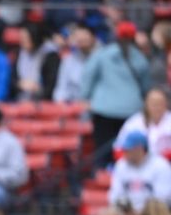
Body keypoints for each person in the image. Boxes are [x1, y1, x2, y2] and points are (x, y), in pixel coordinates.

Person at [83, 21, 150, 168]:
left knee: (102, 154)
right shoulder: (140, 58)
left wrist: (85, 97)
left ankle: (102, 183)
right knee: (126, 152)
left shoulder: (102, 53)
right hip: (131, 111)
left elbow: (87, 78)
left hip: (104, 110)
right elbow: (146, 89)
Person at [108, 131, 171, 213]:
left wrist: (140, 213)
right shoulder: (121, 165)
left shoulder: (161, 166)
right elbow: (114, 196)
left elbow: (163, 199)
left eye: (128, 149)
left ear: (140, 149)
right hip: (127, 214)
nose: (125, 152)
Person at [116, 88, 171, 158]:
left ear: (166, 104)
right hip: (138, 165)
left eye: (160, 103)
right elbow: (119, 149)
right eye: (153, 103)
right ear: (146, 104)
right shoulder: (134, 122)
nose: (157, 107)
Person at [53, 24, 99, 103]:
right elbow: (61, 88)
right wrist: (60, 103)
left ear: (93, 38)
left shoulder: (102, 58)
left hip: (97, 105)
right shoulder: (68, 60)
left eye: (84, 38)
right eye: (78, 37)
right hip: (73, 106)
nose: (80, 40)